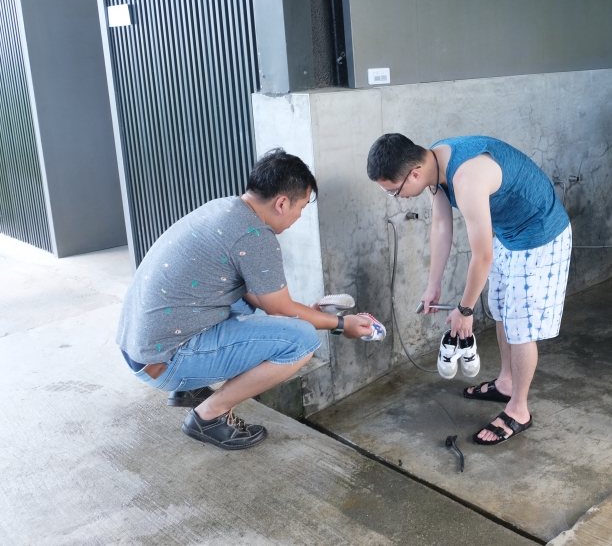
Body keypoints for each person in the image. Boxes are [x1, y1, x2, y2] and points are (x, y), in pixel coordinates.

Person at [117, 149, 375, 450]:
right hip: (162, 362)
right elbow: (279, 308)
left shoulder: (225, 207)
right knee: (302, 340)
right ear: (281, 203)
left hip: (137, 346)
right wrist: (342, 324)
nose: (298, 217)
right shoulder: (255, 236)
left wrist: (302, 312)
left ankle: (190, 389)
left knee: (251, 303)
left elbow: (268, 301)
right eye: (301, 207)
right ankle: (208, 417)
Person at [367, 134, 571, 445]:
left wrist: (464, 310)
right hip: (508, 233)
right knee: (502, 310)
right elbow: (440, 225)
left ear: (414, 174)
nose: (397, 197)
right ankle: (506, 383)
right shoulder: (434, 163)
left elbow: (482, 255)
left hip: (539, 234)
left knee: (521, 329)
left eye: (394, 191)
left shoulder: (465, 177)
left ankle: (518, 409)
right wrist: (432, 285)